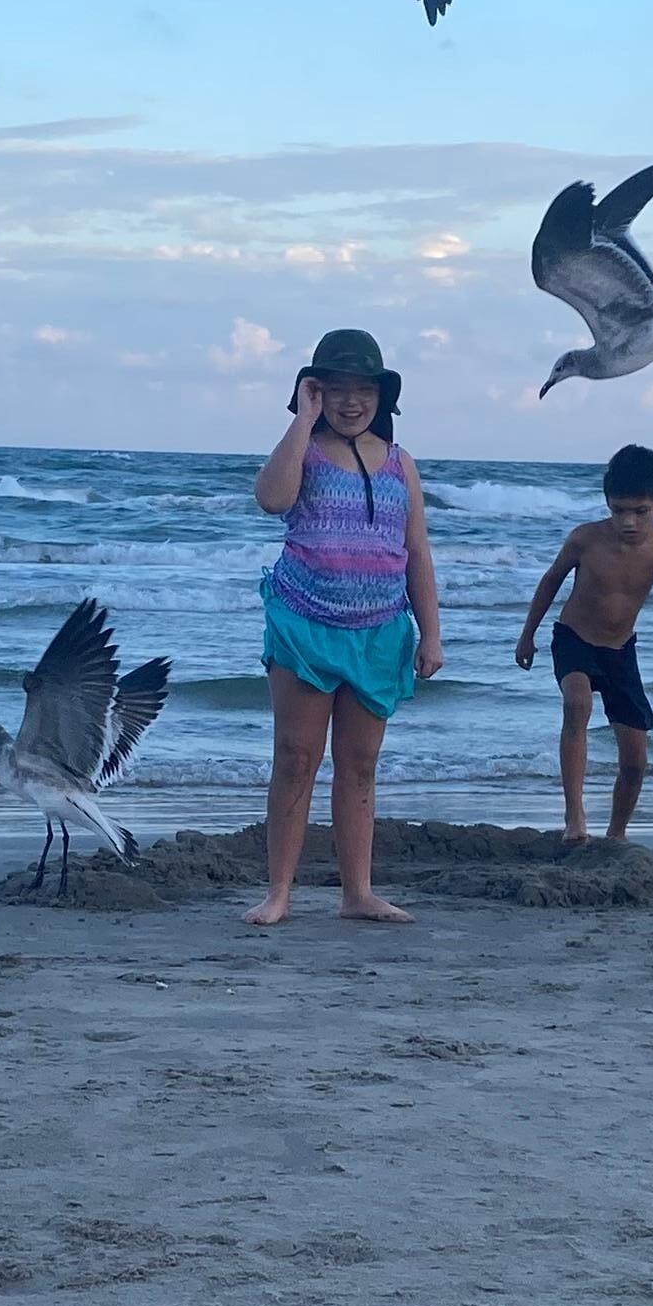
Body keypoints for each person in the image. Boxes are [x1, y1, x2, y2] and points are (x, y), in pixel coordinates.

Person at [249, 330, 441, 927]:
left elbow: (416, 551)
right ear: (315, 392)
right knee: (296, 756)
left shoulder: (401, 462)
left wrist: (431, 632)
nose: (351, 401)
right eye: (336, 389)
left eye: (364, 389)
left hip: (380, 630)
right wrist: (302, 420)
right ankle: (279, 891)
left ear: (383, 396)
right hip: (305, 625)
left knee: (359, 765)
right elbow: (271, 500)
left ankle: (357, 892)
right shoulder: (303, 451)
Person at [514, 444, 653, 843]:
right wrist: (528, 635)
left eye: (640, 511)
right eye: (618, 510)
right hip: (574, 638)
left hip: (621, 652)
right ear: (607, 503)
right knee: (577, 703)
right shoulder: (585, 540)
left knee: (635, 761)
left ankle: (616, 835)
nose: (628, 521)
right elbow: (550, 582)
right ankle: (575, 818)